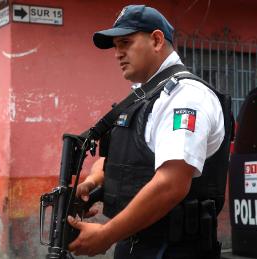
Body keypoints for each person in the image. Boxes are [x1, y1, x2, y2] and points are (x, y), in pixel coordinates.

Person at [67, 5, 226, 258]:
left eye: (125, 43)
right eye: (116, 46)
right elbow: (120, 158)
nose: (118, 53)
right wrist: (91, 183)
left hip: (173, 249)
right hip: (136, 242)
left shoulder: (185, 98)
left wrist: (106, 234)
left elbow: (171, 184)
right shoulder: (144, 97)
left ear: (156, 39)